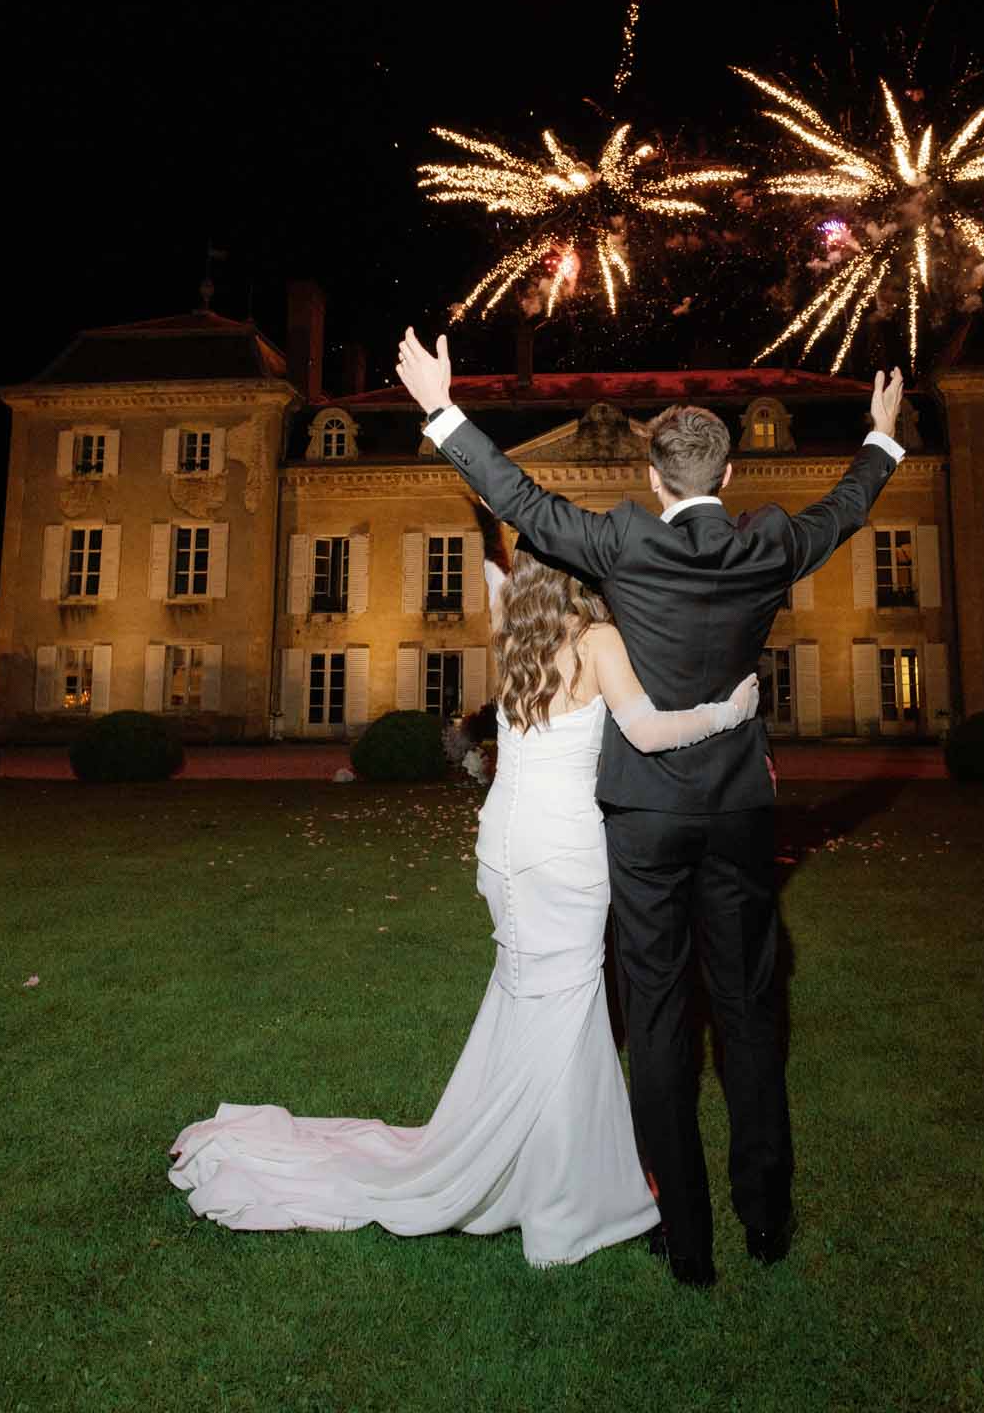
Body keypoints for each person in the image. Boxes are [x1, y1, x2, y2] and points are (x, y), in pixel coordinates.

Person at [397, 330, 905, 1285]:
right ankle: (766, 1217)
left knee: (662, 1015)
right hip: (739, 811)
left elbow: (520, 503)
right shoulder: (767, 543)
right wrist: (880, 437)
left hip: (641, 816)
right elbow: (843, 512)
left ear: (650, 471)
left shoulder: (623, 536)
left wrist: (442, 407)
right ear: (730, 470)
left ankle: (685, 1233)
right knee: (751, 1011)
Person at [167, 547, 759, 1267]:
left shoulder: (509, 631)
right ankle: (566, 1188)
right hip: (562, 850)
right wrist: (727, 712)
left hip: (504, 846)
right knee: (568, 1002)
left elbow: (492, 572)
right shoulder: (597, 640)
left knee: (530, 995)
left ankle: (545, 1164)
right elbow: (647, 731)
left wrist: (484, 502)